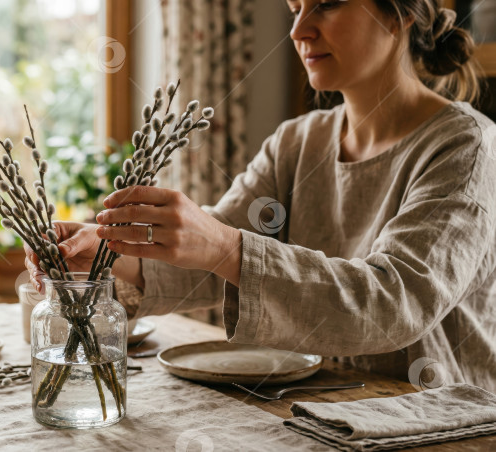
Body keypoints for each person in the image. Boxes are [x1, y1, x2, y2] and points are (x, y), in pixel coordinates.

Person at [25, 0, 496, 391]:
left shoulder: (466, 145)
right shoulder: (298, 141)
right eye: (294, 8)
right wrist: (108, 254)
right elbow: (213, 264)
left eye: (326, 5)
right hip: (317, 408)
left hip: (438, 422)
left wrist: (223, 245)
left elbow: (394, 304)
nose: (298, 30)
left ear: (400, 14)